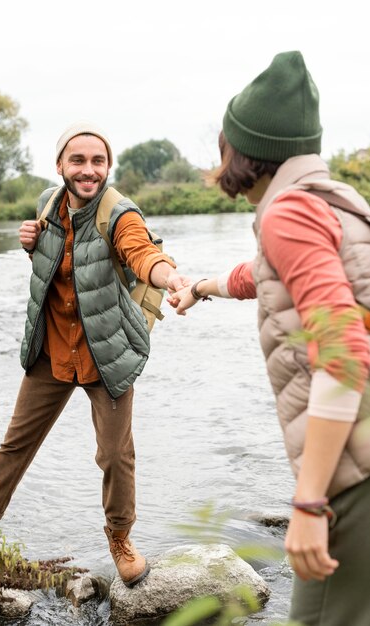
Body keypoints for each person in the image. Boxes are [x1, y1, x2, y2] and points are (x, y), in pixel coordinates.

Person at [169, 52, 370, 625]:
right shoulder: (334, 202)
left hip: (355, 468)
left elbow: (343, 353)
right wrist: (201, 287)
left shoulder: (287, 214)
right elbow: (265, 272)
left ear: (242, 149)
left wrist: (309, 502)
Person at [0, 121, 190, 588]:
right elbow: (61, 267)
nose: (88, 170)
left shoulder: (119, 215)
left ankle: (120, 540)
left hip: (107, 354)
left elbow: (142, 254)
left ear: (108, 166)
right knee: (15, 444)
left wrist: (172, 276)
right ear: (60, 165)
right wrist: (30, 244)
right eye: (77, 160)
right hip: (53, 350)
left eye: (97, 161)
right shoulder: (47, 205)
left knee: (115, 455)